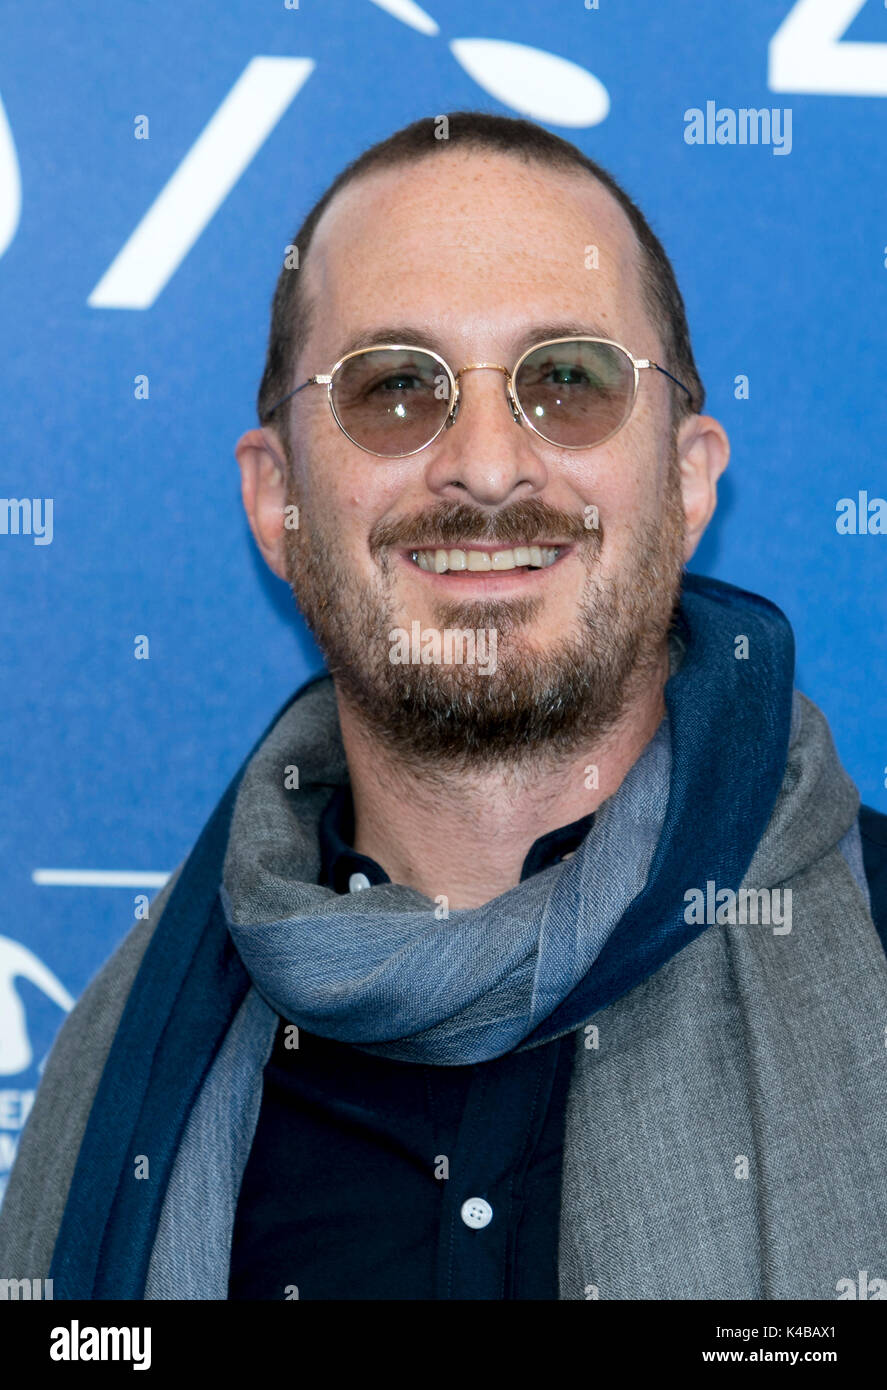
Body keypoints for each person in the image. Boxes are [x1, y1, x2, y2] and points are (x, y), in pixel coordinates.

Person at [2, 110, 886, 1302]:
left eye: (565, 380)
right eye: (394, 388)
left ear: (686, 480)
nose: (483, 463)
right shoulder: (125, 1074)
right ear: (277, 502)